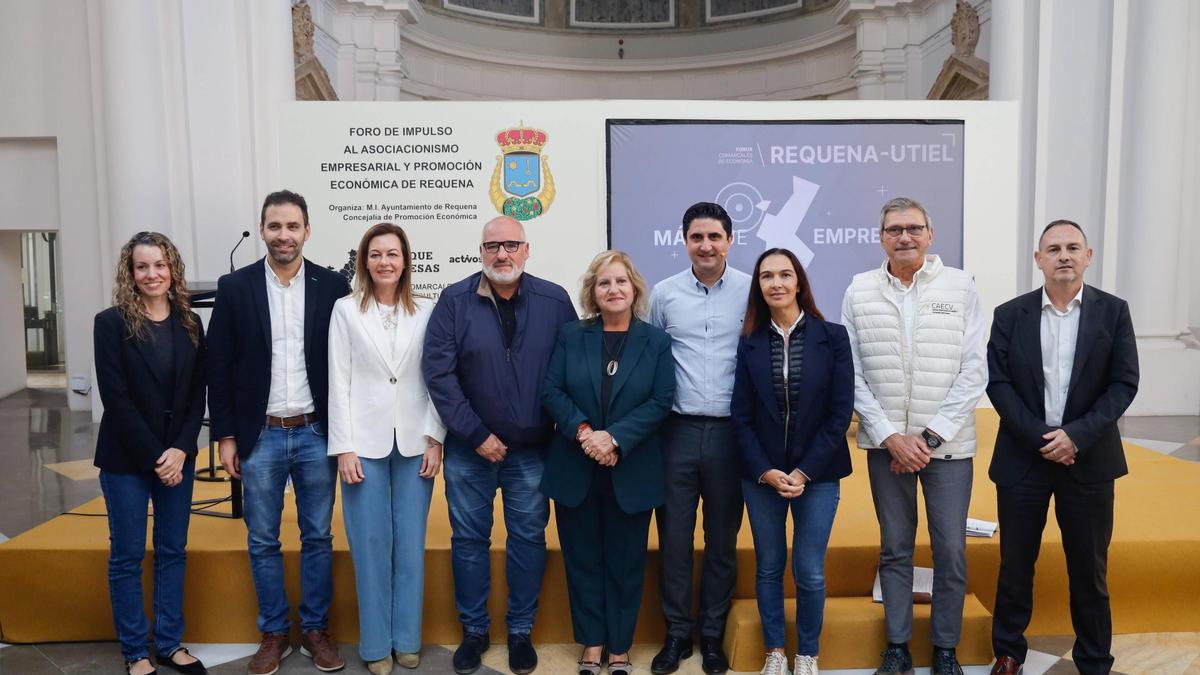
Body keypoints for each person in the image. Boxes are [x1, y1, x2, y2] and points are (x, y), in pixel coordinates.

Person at [422, 215, 577, 675]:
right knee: (469, 541)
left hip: (532, 452)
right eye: (492, 247)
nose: (502, 254)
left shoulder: (555, 300)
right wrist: (476, 434)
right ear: (481, 252)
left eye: (511, 245)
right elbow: (439, 374)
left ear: (526, 250)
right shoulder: (454, 300)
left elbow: (569, 371)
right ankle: (473, 632)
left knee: (528, 540)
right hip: (471, 452)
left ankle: (520, 631)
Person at [840, 197, 987, 675]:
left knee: (950, 548)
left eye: (913, 228)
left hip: (946, 447)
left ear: (930, 233)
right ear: (880, 236)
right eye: (894, 229)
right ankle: (898, 646)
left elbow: (974, 369)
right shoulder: (859, 289)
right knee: (895, 547)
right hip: (887, 450)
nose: (904, 236)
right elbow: (851, 371)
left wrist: (927, 437)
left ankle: (945, 648)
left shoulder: (960, 286)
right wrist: (888, 436)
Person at [985, 220, 1138, 675]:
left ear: (1088, 256)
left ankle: (1094, 660)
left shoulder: (1113, 312)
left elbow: (1123, 383)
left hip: (1088, 460)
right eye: (1054, 249)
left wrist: (1076, 436)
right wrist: (1043, 439)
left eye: (1073, 248)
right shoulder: (1010, 314)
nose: (1064, 256)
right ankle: (1009, 652)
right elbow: (999, 384)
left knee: (1089, 568)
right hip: (1023, 460)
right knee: (1015, 564)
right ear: (1039, 260)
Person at [208, 190, 350, 675]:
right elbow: (219, 366)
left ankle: (315, 629)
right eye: (275, 226)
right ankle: (273, 631)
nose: (283, 235)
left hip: (315, 433)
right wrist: (226, 435)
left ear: (307, 230)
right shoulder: (235, 287)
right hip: (259, 434)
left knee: (317, 536)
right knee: (262, 538)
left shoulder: (333, 286)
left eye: (292, 226)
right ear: (263, 230)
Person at [541, 250, 675, 675]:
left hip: (630, 469)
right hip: (575, 466)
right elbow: (552, 392)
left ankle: (619, 648)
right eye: (604, 283)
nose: (613, 289)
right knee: (582, 561)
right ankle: (592, 644)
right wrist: (585, 433)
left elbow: (661, 401)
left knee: (625, 563)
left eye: (620, 281)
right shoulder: (571, 335)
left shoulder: (655, 341)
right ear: (592, 293)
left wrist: (614, 438)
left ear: (634, 289)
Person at [327, 223, 446, 675]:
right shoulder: (344, 311)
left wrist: (435, 437)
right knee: (371, 544)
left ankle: (407, 639)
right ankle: (376, 645)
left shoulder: (429, 311)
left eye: (392, 254)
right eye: (375, 254)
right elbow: (338, 381)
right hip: (363, 444)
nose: (384, 262)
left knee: (410, 543)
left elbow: (438, 379)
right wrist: (344, 447)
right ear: (364, 261)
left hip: (416, 441)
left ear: (406, 260)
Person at [731, 248, 854, 675]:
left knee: (809, 571)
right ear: (758, 286)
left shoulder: (832, 336)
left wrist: (804, 472)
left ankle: (807, 654)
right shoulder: (749, 341)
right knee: (768, 567)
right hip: (761, 474)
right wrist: (766, 470)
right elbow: (741, 415)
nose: (776, 283)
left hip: (817, 475)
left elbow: (840, 414)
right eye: (767, 277)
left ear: (799, 282)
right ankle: (775, 653)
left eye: (785, 275)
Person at [94, 232, 208, 675]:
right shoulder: (111, 323)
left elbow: (197, 393)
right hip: (127, 458)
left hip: (178, 457)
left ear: (172, 269)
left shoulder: (191, 323)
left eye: (160, 265)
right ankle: (135, 651)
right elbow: (115, 399)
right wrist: (158, 457)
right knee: (126, 555)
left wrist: (181, 449)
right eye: (142, 267)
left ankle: (168, 643)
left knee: (172, 550)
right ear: (131, 273)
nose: (152, 274)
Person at [647, 202, 751, 675]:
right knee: (673, 538)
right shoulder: (664, 295)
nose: (705, 246)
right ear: (684, 241)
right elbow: (650, 363)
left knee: (722, 540)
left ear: (729, 240)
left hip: (734, 434)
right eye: (696, 237)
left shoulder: (753, 291)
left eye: (714, 237)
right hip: (677, 432)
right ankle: (676, 635)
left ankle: (711, 635)